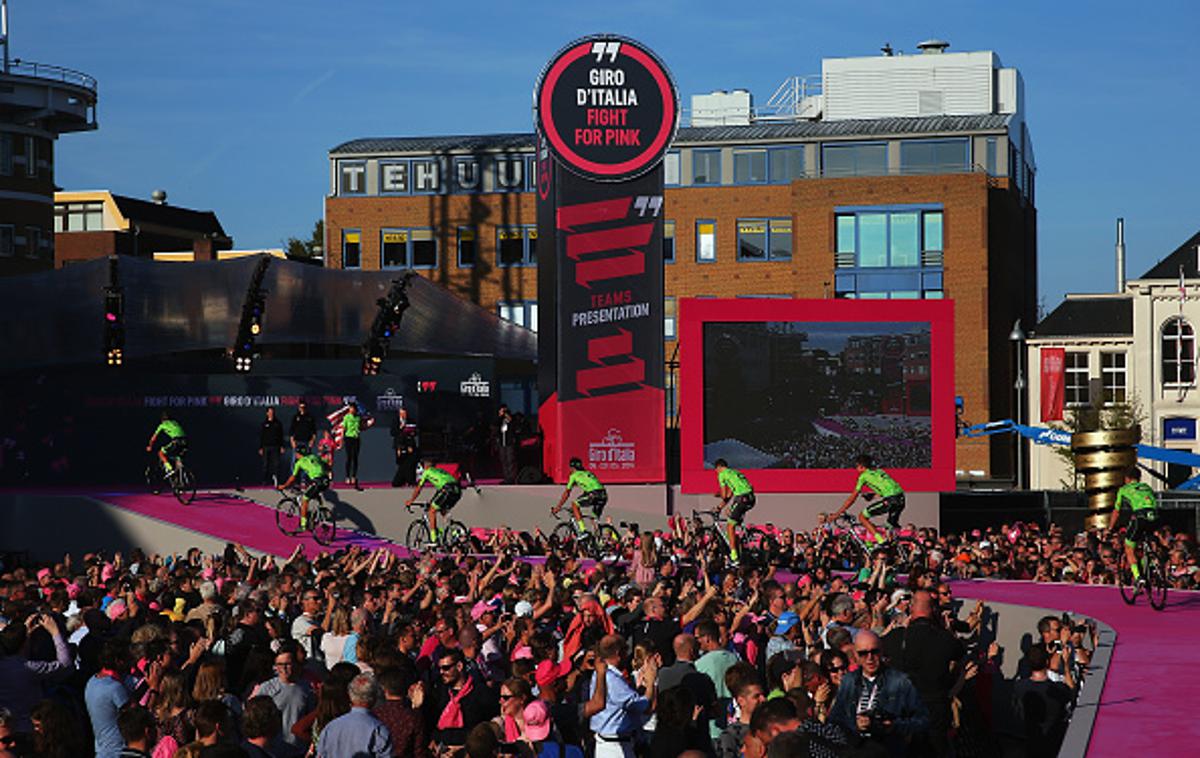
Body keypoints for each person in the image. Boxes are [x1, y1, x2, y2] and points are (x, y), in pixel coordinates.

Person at [881, 590, 963, 756]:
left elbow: (877, 648)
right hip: (935, 706)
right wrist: (945, 628)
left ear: (911, 609)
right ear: (933, 610)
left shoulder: (896, 637)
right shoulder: (944, 638)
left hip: (904, 706)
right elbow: (959, 653)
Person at [829, 630, 929, 756]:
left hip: (888, 750)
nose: (870, 658)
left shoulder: (900, 682)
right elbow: (834, 720)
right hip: (855, 750)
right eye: (863, 653)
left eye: (874, 652)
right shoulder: (849, 681)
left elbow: (923, 721)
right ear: (855, 655)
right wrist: (855, 724)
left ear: (881, 651)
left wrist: (893, 726)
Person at [590, 634, 657, 758]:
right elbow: (639, 706)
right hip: (614, 747)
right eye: (625, 650)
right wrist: (651, 682)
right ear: (618, 653)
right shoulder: (611, 678)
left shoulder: (600, 673)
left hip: (610, 743)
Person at [832, 454, 906, 546]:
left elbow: (852, 498)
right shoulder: (879, 471)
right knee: (890, 526)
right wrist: (872, 496)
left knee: (862, 517)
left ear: (862, 466)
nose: (856, 469)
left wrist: (837, 514)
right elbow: (887, 489)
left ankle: (880, 539)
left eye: (857, 467)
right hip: (901, 498)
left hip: (891, 500)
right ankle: (895, 547)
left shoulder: (863, 476)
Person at [316, 673, 393, 758]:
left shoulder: (331, 727)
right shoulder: (378, 730)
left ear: (349, 695)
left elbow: (321, 754)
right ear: (374, 697)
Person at [1112, 466, 1159, 584]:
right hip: (1154, 516)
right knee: (1146, 543)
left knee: (1129, 547)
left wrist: (1110, 527)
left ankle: (1138, 577)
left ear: (1126, 478)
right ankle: (1148, 566)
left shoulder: (1124, 489)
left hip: (1140, 517)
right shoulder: (1147, 487)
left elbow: (1116, 511)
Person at [404, 458, 461, 544]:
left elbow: (418, 488)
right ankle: (454, 532)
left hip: (447, 489)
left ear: (425, 466)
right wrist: (431, 502)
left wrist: (411, 500)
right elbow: (439, 492)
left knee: (432, 511)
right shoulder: (438, 471)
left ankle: (434, 538)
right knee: (441, 509)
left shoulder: (427, 472)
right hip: (457, 490)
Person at [277, 446, 331, 531]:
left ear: (299, 454)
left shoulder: (299, 462)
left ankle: (303, 525)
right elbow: (326, 464)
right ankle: (321, 513)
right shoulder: (314, 456)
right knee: (316, 494)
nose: (295, 455)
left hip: (317, 481)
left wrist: (283, 486)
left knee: (304, 500)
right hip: (326, 481)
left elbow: (293, 477)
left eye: (296, 454)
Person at [713, 458, 755, 563]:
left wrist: (717, 494)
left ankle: (734, 555)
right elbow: (729, 495)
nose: (716, 472)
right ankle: (739, 542)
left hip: (742, 498)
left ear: (719, 467)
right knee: (732, 517)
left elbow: (723, 495)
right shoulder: (734, 473)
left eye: (716, 470)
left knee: (730, 525)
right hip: (751, 498)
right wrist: (719, 507)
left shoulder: (722, 474)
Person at [552, 457, 608, 534]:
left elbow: (567, 493)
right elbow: (587, 491)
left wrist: (558, 507)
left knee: (574, 504)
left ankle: (583, 530)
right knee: (594, 519)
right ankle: (599, 540)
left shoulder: (574, 475)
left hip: (594, 494)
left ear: (572, 468)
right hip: (603, 495)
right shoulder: (588, 473)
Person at [146, 411, 187, 475]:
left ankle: (170, 469)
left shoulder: (162, 425)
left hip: (177, 441)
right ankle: (179, 468)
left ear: (162, 420)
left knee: (161, 453)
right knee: (175, 453)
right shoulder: (174, 422)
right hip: (185, 441)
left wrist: (150, 446)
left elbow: (153, 438)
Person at [259, 407, 285, 486]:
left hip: (276, 446)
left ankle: (276, 481)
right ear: (267, 413)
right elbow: (262, 436)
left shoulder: (278, 423)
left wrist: (282, 446)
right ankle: (264, 480)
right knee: (265, 465)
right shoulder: (264, 424)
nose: (271, 413)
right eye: (269, 412)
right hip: (266, 446)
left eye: (272, 412)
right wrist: (261, 447)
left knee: (276, 465)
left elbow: (281, 435)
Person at [496, 405, 518, 484]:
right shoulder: (500, 420)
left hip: (509, 443)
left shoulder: (511, 419)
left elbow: (512, 423)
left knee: (510, 461)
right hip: (502, 443)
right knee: (504, 461)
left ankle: (512, 478)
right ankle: (506, 477)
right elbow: (496, 426)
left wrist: (506, 414)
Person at [343, 403, 363, 490]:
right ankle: (347, 476)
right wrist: (342, 439)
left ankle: (354, 476)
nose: (351, 410)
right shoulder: (347, 417)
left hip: (356, 438)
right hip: (348, 438)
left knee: (355, 457)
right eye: (350, 408)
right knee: (349, 457)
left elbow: (361, 426)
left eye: (353, 408)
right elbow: (344, 428)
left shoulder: (358, 417)